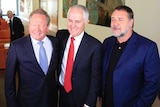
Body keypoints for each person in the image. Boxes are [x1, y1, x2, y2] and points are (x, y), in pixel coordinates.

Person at [101, 5, 160, 107]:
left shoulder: (148, 47)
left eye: (120, 20)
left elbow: (152, 85)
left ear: (131, 22)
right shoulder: (107, 42)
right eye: (113, 19)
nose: (115, 24)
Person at [5, 8, 59, 107]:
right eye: (33, 24)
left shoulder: (55, 43)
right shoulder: (17, 47)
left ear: (47, 27)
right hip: (27, 101)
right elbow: (9, 82)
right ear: (29, 25)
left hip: (51, 100)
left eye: (41, 25)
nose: (37, 29)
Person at [56, 5, 102, 107]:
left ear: (86, 22)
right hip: (63, 92)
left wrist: (89, 103)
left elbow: (95, 78)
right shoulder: (61, 37)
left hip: (82, 97)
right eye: (70, 20)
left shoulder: (95, 46)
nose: (73, 25)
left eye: (77, 21)